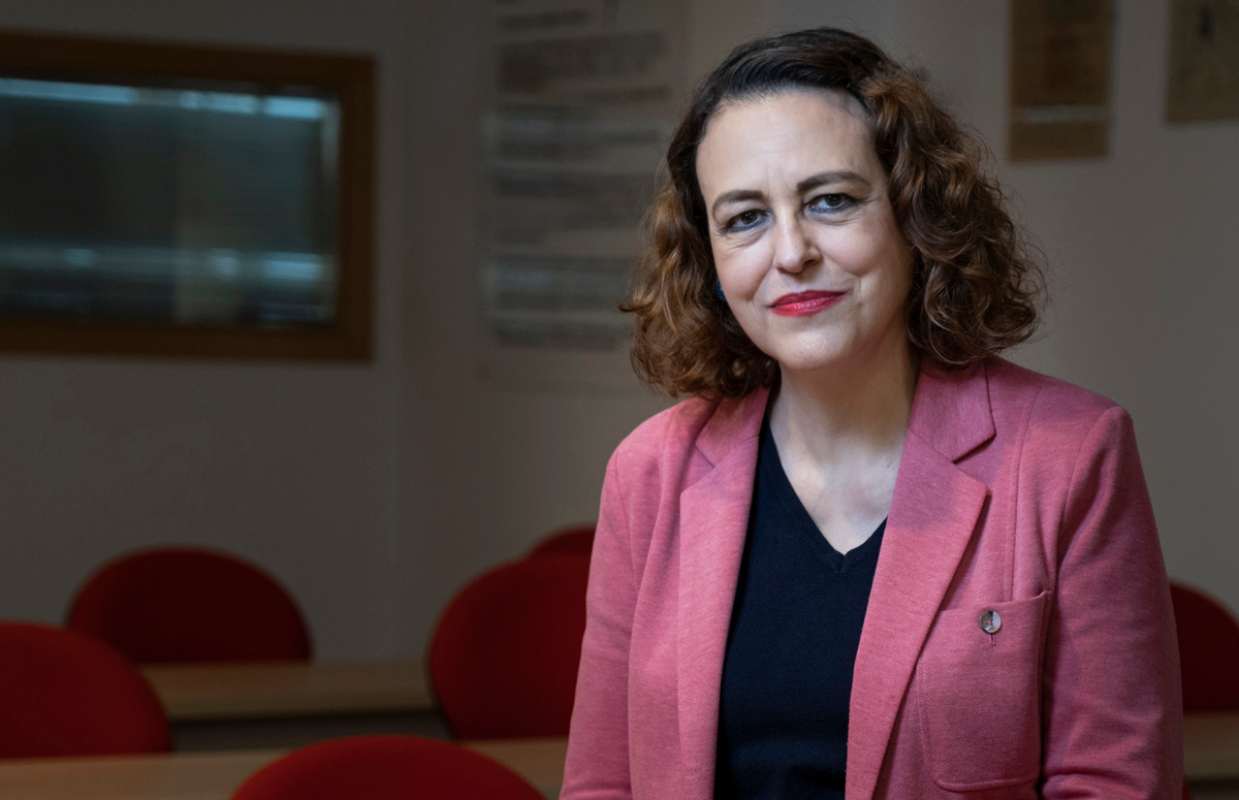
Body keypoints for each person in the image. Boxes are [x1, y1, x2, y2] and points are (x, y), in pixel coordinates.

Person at [560, 26, 1182, 800]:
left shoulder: (1068, 455)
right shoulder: (649, 472)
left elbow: (1115, 784)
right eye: (744, 217)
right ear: (709, 260)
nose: (790, 252)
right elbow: (602, 784)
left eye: (830, 201)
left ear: (912, 218)